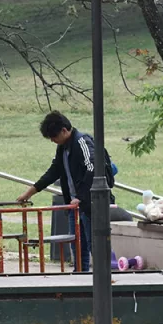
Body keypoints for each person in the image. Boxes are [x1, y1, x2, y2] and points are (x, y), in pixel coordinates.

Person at [16, 111, 112, 272]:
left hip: (89, 204)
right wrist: (31, 191)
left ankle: (101, 279)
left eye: (53, 136)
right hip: (73, 204)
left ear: (64, 131)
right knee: (76, 244)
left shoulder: (82, 142)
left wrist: (80, 197)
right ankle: (80, 274)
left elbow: (93, 169)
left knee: (93, 244)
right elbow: (54, 171)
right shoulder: (63, 148)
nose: (53, 141)